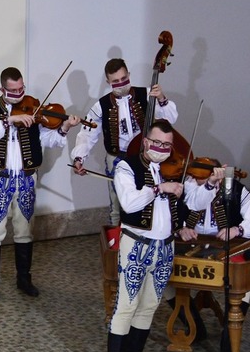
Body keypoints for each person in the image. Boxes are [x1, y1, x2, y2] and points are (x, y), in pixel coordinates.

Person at [106, 119, 221, 352]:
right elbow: (130, 202)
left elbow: (193, 203)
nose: (161, 148)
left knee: (149, 305)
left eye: (167, 145)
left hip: (164, 247)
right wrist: (159, 188)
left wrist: (209, 185)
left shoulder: (174, 171)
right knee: (126, 305)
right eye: (157, 143)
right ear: (146, 141)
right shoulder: (126, 166)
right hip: (136, 244)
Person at [0, 66, 80, 302]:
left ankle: (24, 278)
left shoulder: (34, 110)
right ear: (2, 89)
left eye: (21, 88)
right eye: (13, 91)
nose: (19, 94)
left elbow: (50, 140)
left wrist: (64, 127)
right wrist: (10, 119)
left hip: (26, 177)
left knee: (25, 230)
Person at [71, 58, 177, 226]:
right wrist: (79, 158)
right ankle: (118, 244)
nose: (121, 84)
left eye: (124, 79)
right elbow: (86, 134)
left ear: (129, 75)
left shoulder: (148, 94)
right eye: (115, 82)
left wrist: (162, 98)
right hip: (117, 158)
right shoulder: (101, 106)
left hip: (147, 157)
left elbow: (170, 119)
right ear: (108, 82)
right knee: (117, 203)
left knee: (151, 196)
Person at [167, 163, 250, 339]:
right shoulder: (184, 186)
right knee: (162, 273)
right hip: (190, 248)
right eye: (197, 180)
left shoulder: (235, 189)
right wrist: (179, 229)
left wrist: (237, 230)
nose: (200, 184)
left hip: (223, 249)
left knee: (240, 279)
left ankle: (229, 334)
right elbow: (164, 219)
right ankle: (193, 324)